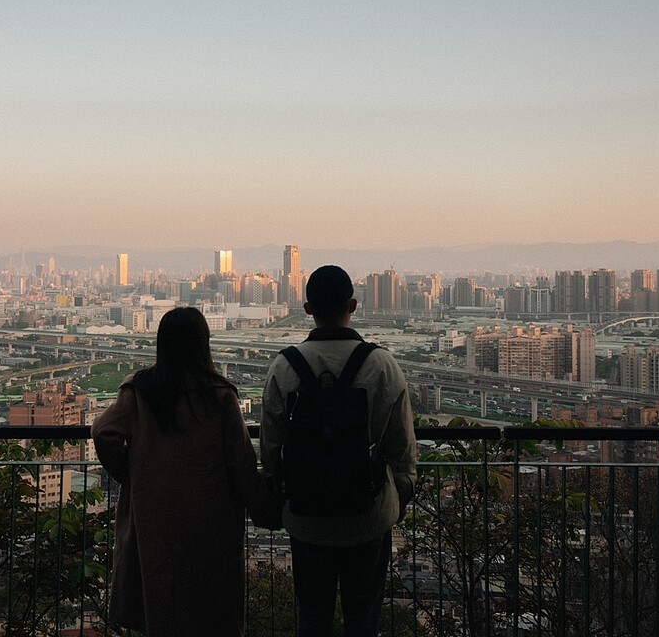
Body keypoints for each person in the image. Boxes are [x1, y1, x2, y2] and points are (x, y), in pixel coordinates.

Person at [92, 306, 277, 636]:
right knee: (209, 614)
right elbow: (242, 464)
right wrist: (266, 509)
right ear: (202, 344)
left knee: (160, 611)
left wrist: (134, 474)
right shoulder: (218, 395)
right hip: (210, 523)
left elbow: (103, 431)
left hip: (154, 522)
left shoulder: (140, 390)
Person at [260, 265, 417, 637]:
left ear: (307, 307)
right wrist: (397, 498)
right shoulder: (382, 365)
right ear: (354, 305)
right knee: (363, 622)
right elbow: (403, 453)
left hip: (306, 521)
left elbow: (270, 453)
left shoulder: (284, 367)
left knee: (312, 621)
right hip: (368, 519)